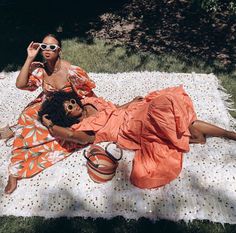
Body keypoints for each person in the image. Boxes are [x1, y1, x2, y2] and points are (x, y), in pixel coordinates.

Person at [38, 86, 236, 190]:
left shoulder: (90, 102)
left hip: (132, 112)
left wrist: (129, 103)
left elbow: (114, 110)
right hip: (130, 129)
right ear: (65, 117)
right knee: (164, 107)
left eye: (71, 101)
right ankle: (192, 137)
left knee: (171, 112)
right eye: (69, 107)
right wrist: (50, 125)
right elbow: (72, 136)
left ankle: (227, 134)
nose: (74, 104)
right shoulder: (82, 130)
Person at [4, 33, 96, 194]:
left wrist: (95, 112)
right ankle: (15, 167)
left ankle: (25, 163)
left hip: (66, 109)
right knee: (26, 118)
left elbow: (86, 95)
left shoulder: (72, 72)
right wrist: (29, 58)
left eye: (52, 47)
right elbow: (20, 84)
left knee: (55, 136)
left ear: (59, 50)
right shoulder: (41, 69)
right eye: (43, 46)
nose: (47, 50)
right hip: (46, 104)